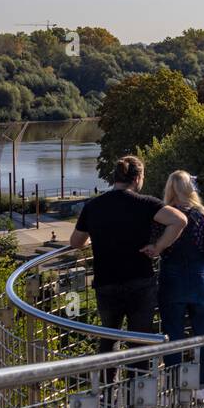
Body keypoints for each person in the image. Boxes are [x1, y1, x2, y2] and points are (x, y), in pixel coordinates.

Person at [69, 155, 187, 361]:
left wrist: (91, 241)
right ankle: (137, 389)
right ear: (137, 178)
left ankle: (106, 391)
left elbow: (76, 242)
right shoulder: (146, 203)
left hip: (106, 283)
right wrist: (158, 247)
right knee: (139, 340)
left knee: (108, 339)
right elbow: (179, 220)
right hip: (140, 281)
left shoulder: (93, 206)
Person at [149, 170, 204, 403]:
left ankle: (174, 389)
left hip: (173, 281)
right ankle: (203, 388)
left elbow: (156, 246)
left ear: (170, 189)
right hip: (202, 280)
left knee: (173, 336)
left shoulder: (163, 217)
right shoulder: (203, 216)